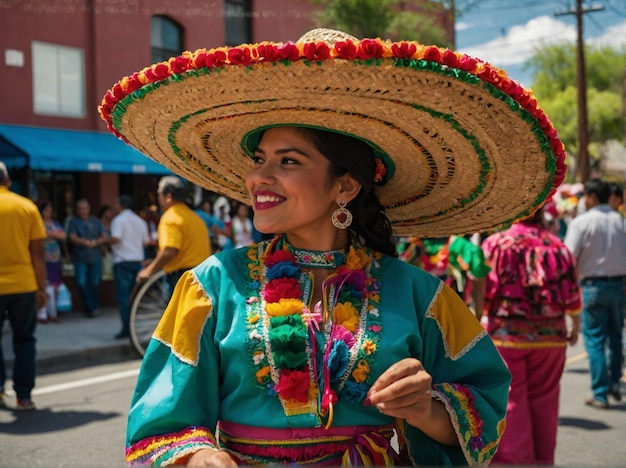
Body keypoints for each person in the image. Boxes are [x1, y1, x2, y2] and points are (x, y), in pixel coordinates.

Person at [99, 28, 567, 466]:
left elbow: (484, 409)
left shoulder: (421, 295)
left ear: (344, 185)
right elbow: (161, 426)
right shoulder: (211, 286)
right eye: (260, 159)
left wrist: (426, 409)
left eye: (288, 161)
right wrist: (198, 454)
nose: (259, 177)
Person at [481, 205, 582, 465]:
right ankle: (543, 460)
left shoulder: (495, 244)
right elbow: (570, 290)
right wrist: (575, 323)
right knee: (546, 401)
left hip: (505, 337)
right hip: (551, 337)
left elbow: (484, 289)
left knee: (510, 400)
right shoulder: (558, 246)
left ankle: (515, 461)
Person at [564, 178, 626, 409]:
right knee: (615, 336)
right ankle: (613, 384)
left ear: (591, 197)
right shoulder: (621, 221)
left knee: (595, 339)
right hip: (619, 285)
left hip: (592, 287)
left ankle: (600, 393)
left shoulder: (582, 222)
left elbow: (569, 258)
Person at [0, 161, 48, 410]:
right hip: (23, 284)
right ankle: (24, 396)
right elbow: (37, 254)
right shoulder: (26, 207)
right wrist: (42, 288)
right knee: (25, 340)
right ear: (8, 181)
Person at [136, 176, 210, 294]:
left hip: (182, 277)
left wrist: (149, 271)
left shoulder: (170, 217)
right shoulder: (196, 218)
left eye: (159, 195)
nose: (158, 199)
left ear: (168, 197)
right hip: (203, 276)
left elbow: (169, 251)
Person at [109, 195, 150, 339]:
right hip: (137, 261)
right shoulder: (140, 221)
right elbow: (146, 242)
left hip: (123, 262)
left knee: (124, 298)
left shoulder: (118, 220)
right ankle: (134, 329)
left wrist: (102, 240)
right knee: (135, 298)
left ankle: (127, 329)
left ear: (120, 205)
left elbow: (116, 238)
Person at [67, 198, 106, 318]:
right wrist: (85, 242)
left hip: (95, 256)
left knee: (94, 283)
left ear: (88, 209)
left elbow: (104, 236)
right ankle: (90, 306)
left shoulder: (95, 221)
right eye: (80, 209)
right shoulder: (73, 222)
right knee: (81, 282)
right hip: (80, 257)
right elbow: (72, 237)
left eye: (85, 208)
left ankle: (91, 307)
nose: (83, 211)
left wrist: (95, 242)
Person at [37, 201, 67, 324]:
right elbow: (41, 235)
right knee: (44, 285)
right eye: (46, 210)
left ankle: (53, 313)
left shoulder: (56, 223)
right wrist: (54, 234)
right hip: (43, 257)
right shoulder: (38, 223)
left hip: (55, 257)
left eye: (50, 210)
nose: (48, 213)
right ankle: (42, 314)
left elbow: (63, 236)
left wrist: (51, 234)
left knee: (55, 286)